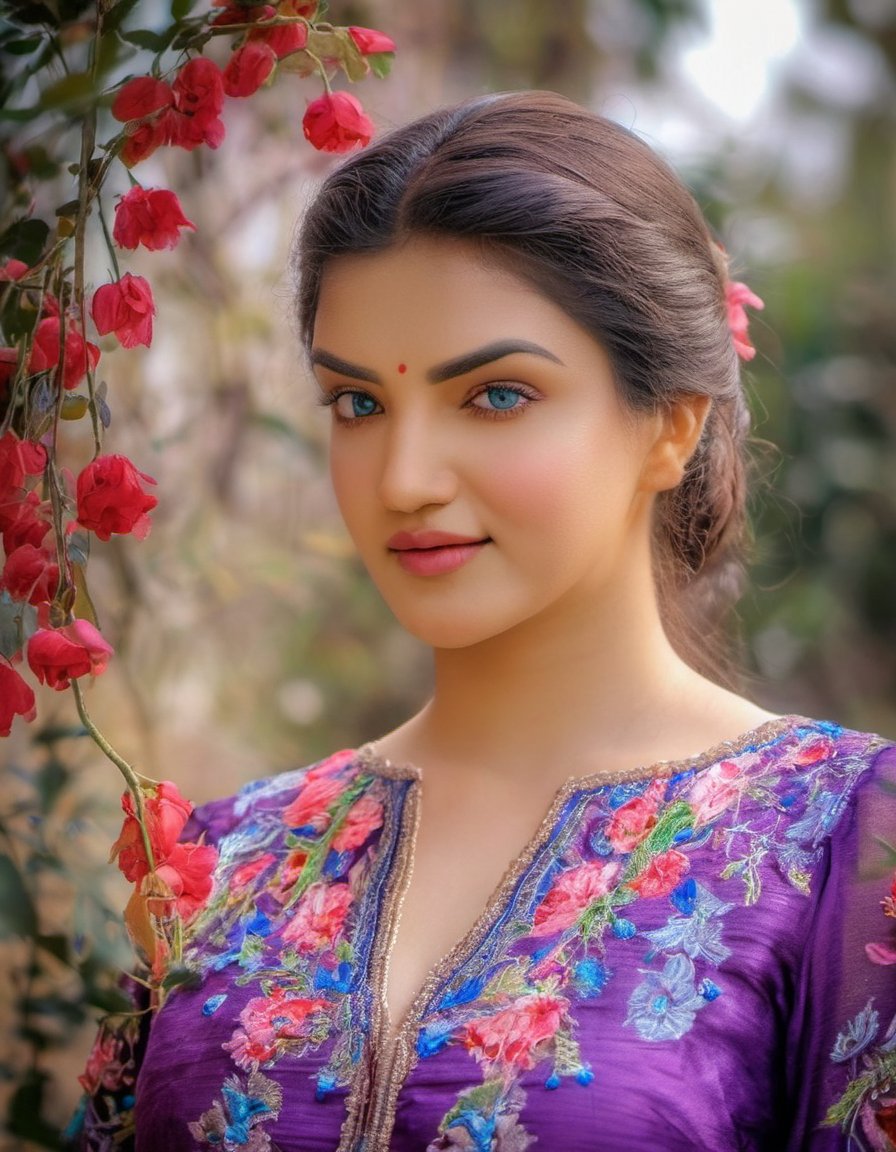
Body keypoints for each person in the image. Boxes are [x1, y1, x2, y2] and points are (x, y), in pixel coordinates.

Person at [72, 91, 896, 1152]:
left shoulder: (834, 843)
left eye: (495, 395)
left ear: (669, 427)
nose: (404, 481)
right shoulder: (226, 861)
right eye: (357, 404)